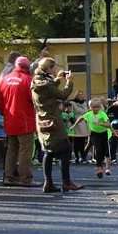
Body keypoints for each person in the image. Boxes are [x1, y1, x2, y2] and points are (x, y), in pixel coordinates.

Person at [30, 58, 83, 193]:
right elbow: (63, 95)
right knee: (65, 148)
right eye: (53, 68)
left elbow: (48, 90)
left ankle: (48, 182)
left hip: (42, 120)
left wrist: (57, 79)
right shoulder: (46, 84)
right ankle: (66, 182)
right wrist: (69, 82)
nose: (55, 70)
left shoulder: (36, 81)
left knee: (48, 151)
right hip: (53, 119)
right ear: (48, 68)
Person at [0, 55, 38, 187]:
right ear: (27, 67)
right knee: (25, 150)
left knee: (11, 149)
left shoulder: (5, 80)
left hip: (10, 119)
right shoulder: (28, 80)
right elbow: (34, 101)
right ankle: (25, 178)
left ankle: (8, 177)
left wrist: (5, 114)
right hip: (24, 120)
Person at [73, 98, 113, 179]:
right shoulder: (89, 114)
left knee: (106, 152)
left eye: (97, 107)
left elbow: (108, 124)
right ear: (90, 107)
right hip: (94, 134)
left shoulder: (102, 114)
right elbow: (81, 118)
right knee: (98, 149)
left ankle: (107, 168)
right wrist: (74, 125)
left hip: (104, 134)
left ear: (100, 107)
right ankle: (99, 168)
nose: (96, 109)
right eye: (93, 107)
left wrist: (100, 123)